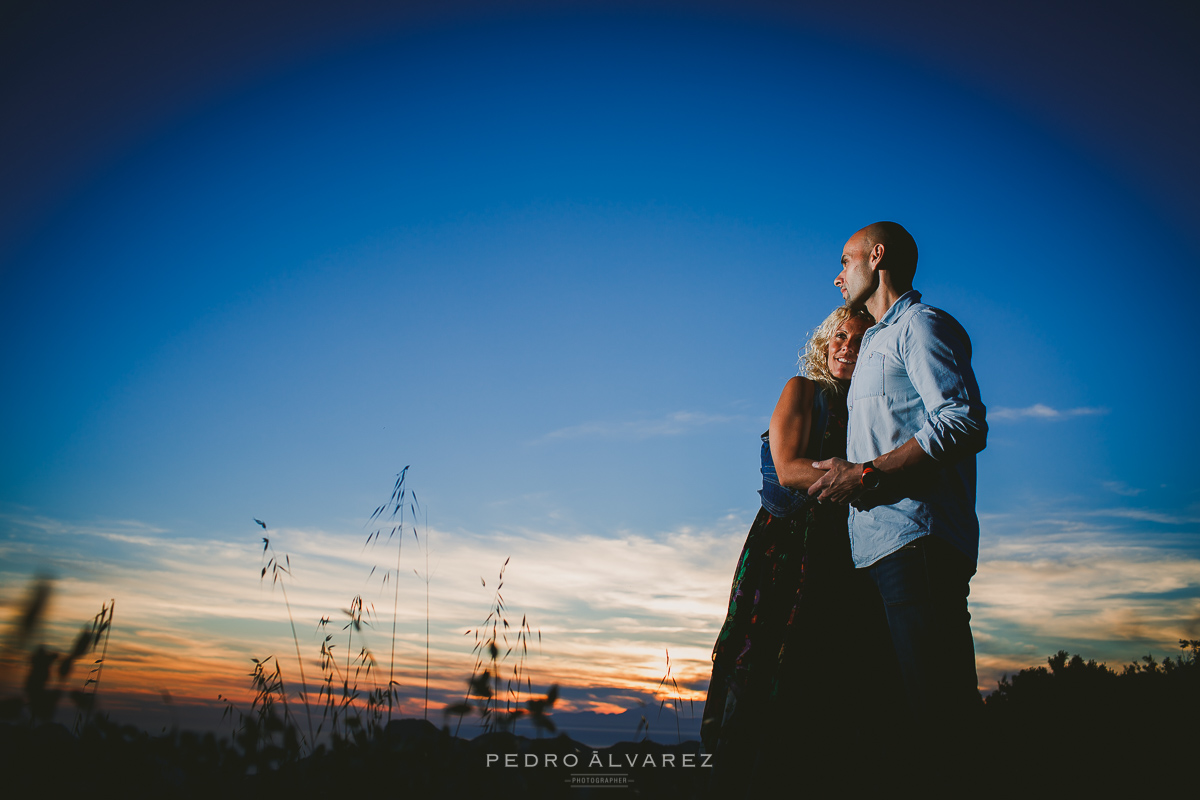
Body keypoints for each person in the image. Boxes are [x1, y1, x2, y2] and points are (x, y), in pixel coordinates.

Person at [808, 221, 988, 724]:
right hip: (874, 551)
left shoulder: (921, 325)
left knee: (941, 713)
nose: (839, 276)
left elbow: (962, 421)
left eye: (846, 261)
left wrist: (866, 476)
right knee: (899, 725)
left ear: (877, 256)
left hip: (918, 544)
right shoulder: (874, 345)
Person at [701, 303, 882, 792]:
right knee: (768, 656)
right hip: (788, 545)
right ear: (825, 343)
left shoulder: (869, 409)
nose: (847, 347)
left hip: (844, 547)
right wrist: (869, 477)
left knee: (827, 671)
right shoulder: (804, 390)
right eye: (840, 337)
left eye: (861, 341)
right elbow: (788, 470)